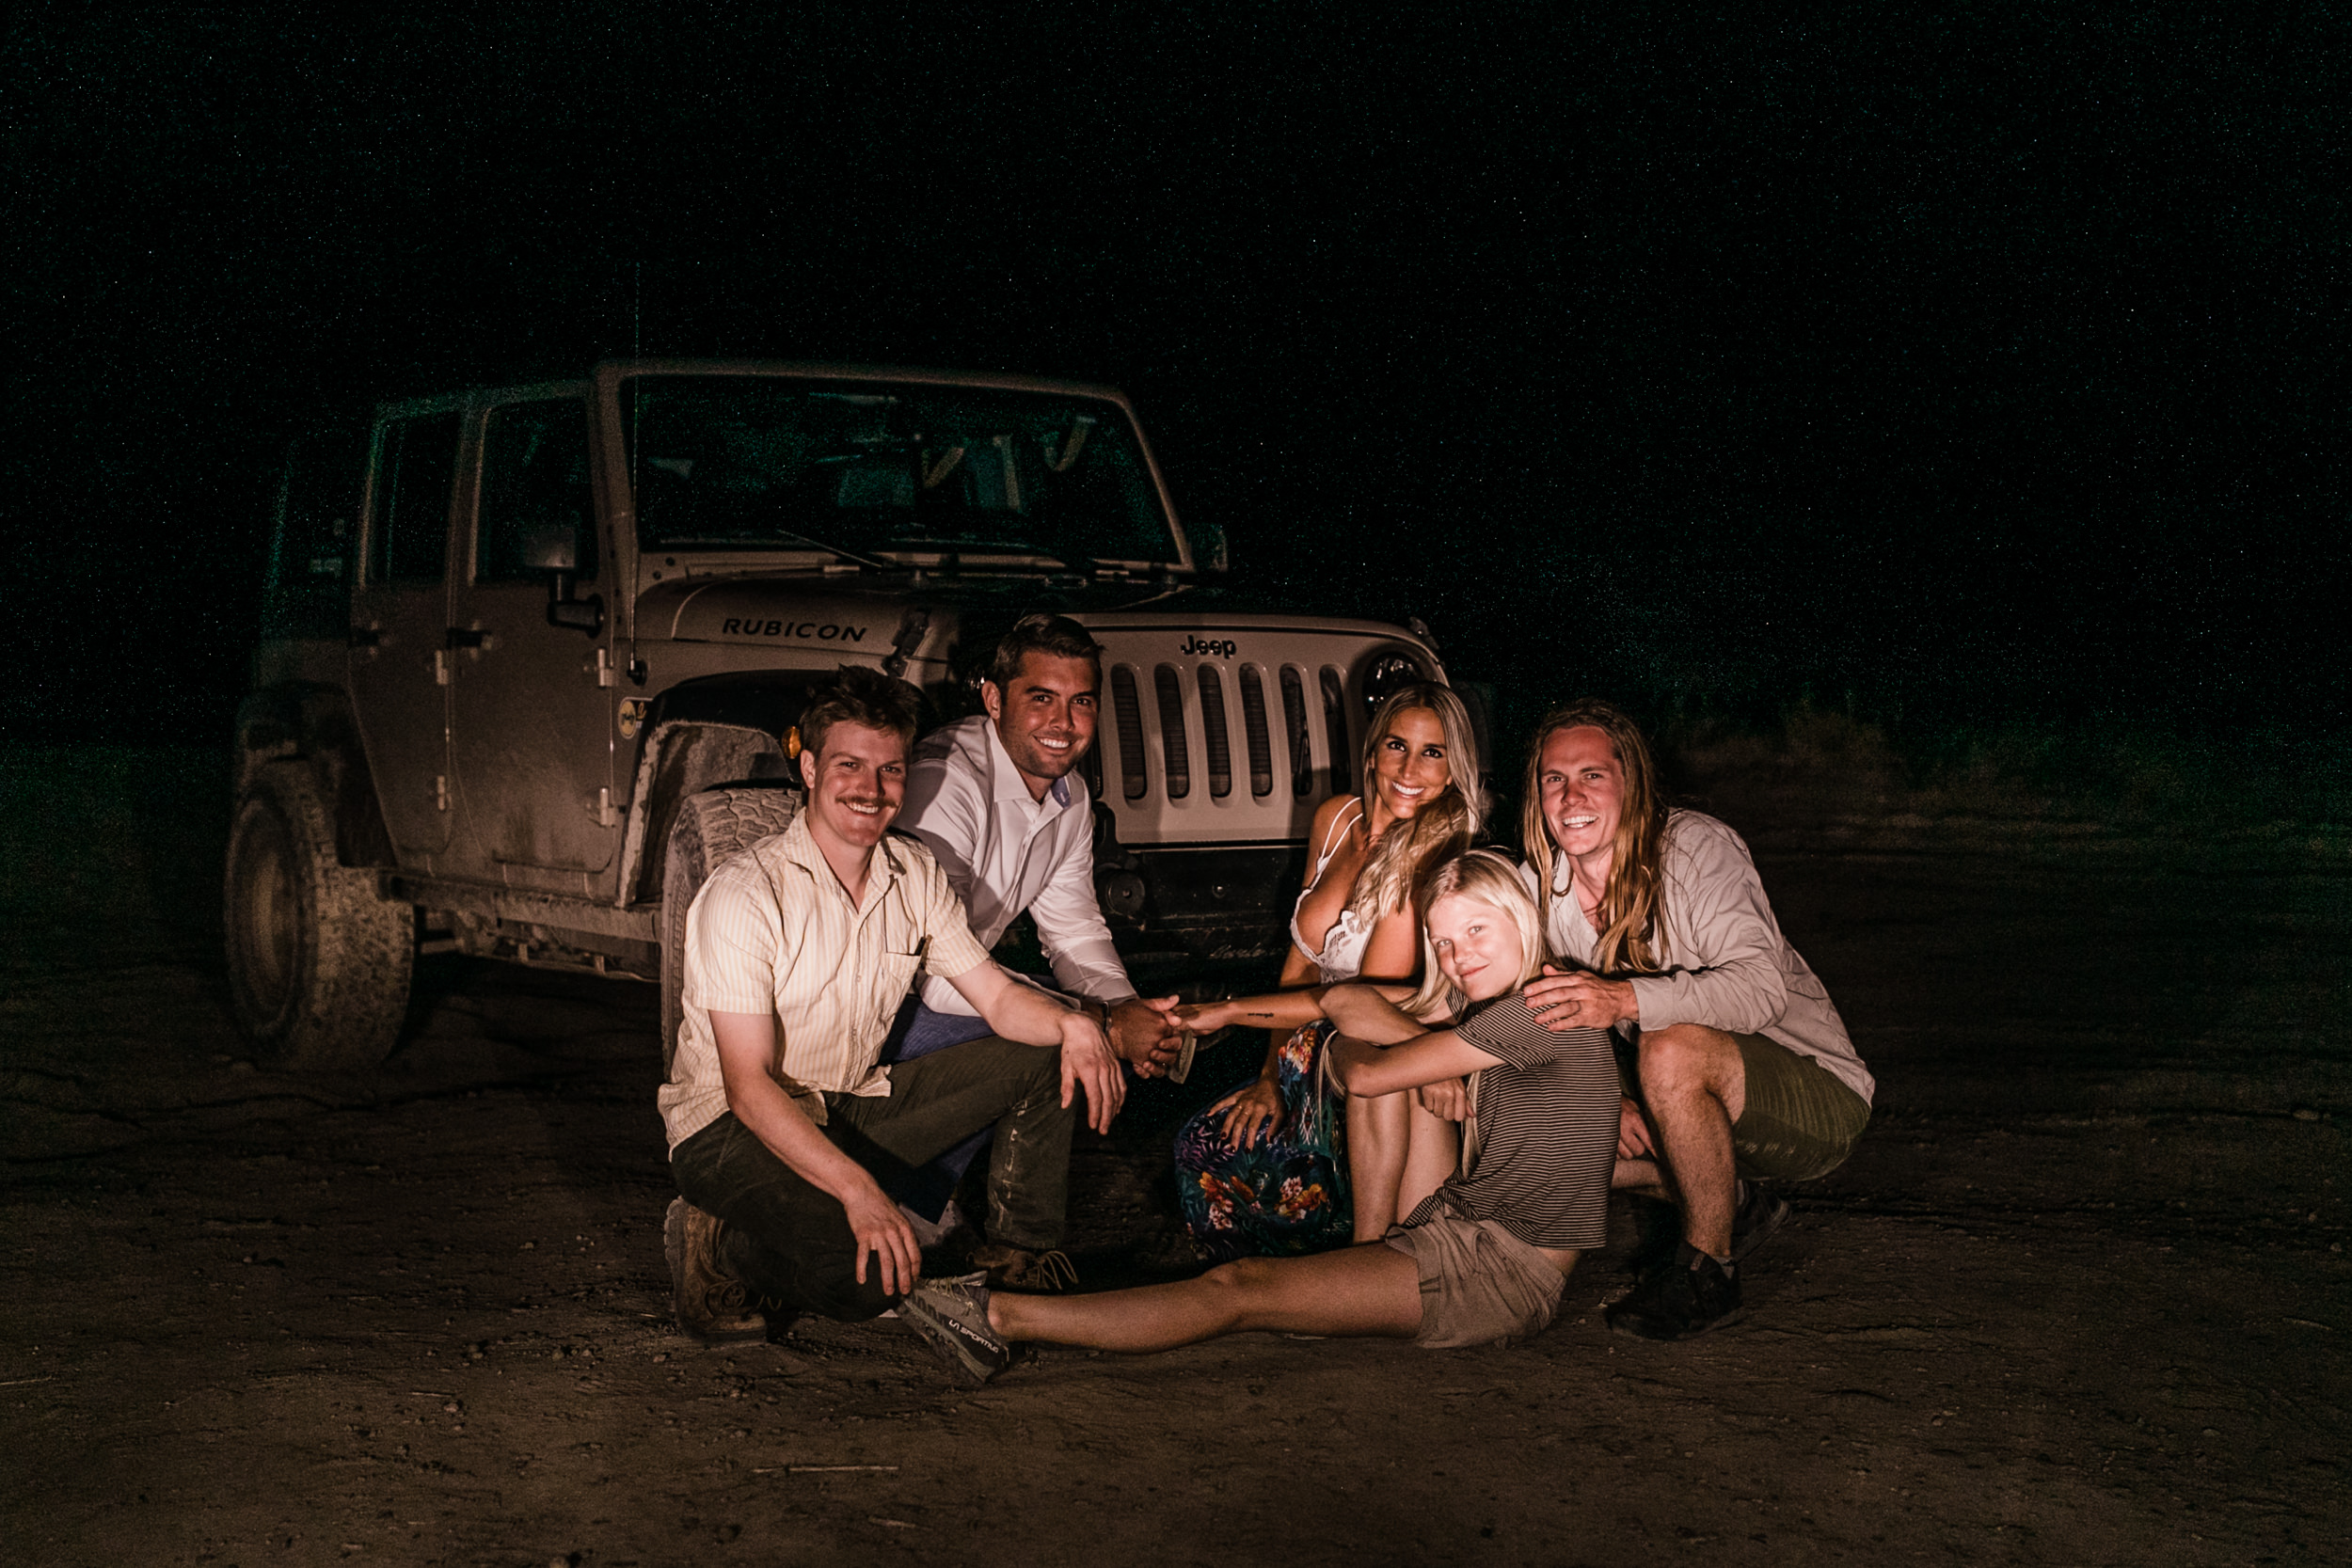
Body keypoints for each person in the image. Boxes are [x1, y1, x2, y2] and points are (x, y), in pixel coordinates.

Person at [894, 849, 1621, 1383]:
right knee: (1359, 1024)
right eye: (1444, 941)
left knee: (1243, 1289)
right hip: (1461, 1225)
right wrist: (1230, 1012)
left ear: (1519, 920)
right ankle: (1357, 1265)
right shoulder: (1501, 1003)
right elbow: (1345, 1005)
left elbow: (1363, 1069)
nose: (1458, 957)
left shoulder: (1539, 1010)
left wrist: (1348, 1002)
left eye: (1476, 933)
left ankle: (995, 1318)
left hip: (1495, 1274)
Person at [657, 665, 1125, 1347]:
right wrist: (859, 1191)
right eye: (850, 765)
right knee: (874, 1280)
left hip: (847, 1104)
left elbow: (994, 998)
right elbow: (748, 1087)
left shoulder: (915, 872)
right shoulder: (746, 894)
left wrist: (1077, 1024)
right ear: (811, 768)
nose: (872, 791)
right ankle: (721, 1244)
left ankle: (1020, 1257)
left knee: (1048, 1048)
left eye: (891, 770)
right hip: (729, 1129)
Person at [1515, 699, 1874, 1340]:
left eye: (1592, 774)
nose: (1571, 795)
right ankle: (1733, 1203)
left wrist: (1623, 1000)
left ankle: (1710, 1272)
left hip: (1815, 1093)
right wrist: (1603, 1100)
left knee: (1669, 1047)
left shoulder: (1693, 848)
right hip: (1682, 1094)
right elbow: (1518, 1004)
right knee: (1534, 1113)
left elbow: (1761, 990)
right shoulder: (1540, 885)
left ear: (1630, 782)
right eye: (1554, 778)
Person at [888, 613, 1184, 1281]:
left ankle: (981, 1234)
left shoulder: (1070, 797)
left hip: (943, 1006)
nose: (1065, 720)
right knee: (1057, 1034)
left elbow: (1074, 929)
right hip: (882, 1020)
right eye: (1040, 697)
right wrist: (1100, 1024)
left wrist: (1131, 1012)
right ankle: (1000, 1240)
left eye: (1082, 701)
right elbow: (934, 976)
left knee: (1068, 1026)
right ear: (993, 699)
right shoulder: (945, 784)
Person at [1168, 683, 1484, 1259]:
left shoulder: (1433, 853)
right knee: (1204, 1143)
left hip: (1373, 1045)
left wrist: (1236, 1013)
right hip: (1307, 1040)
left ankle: (1359, 1259)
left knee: (1362, 1093)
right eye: (1396, 745)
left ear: (1455, 768)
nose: (1409, 768)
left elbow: (1360, 1008)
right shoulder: (1337, 819)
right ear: (1371, 752)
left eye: (1433, 752)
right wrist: (1268, 1075)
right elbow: (1301, 960)